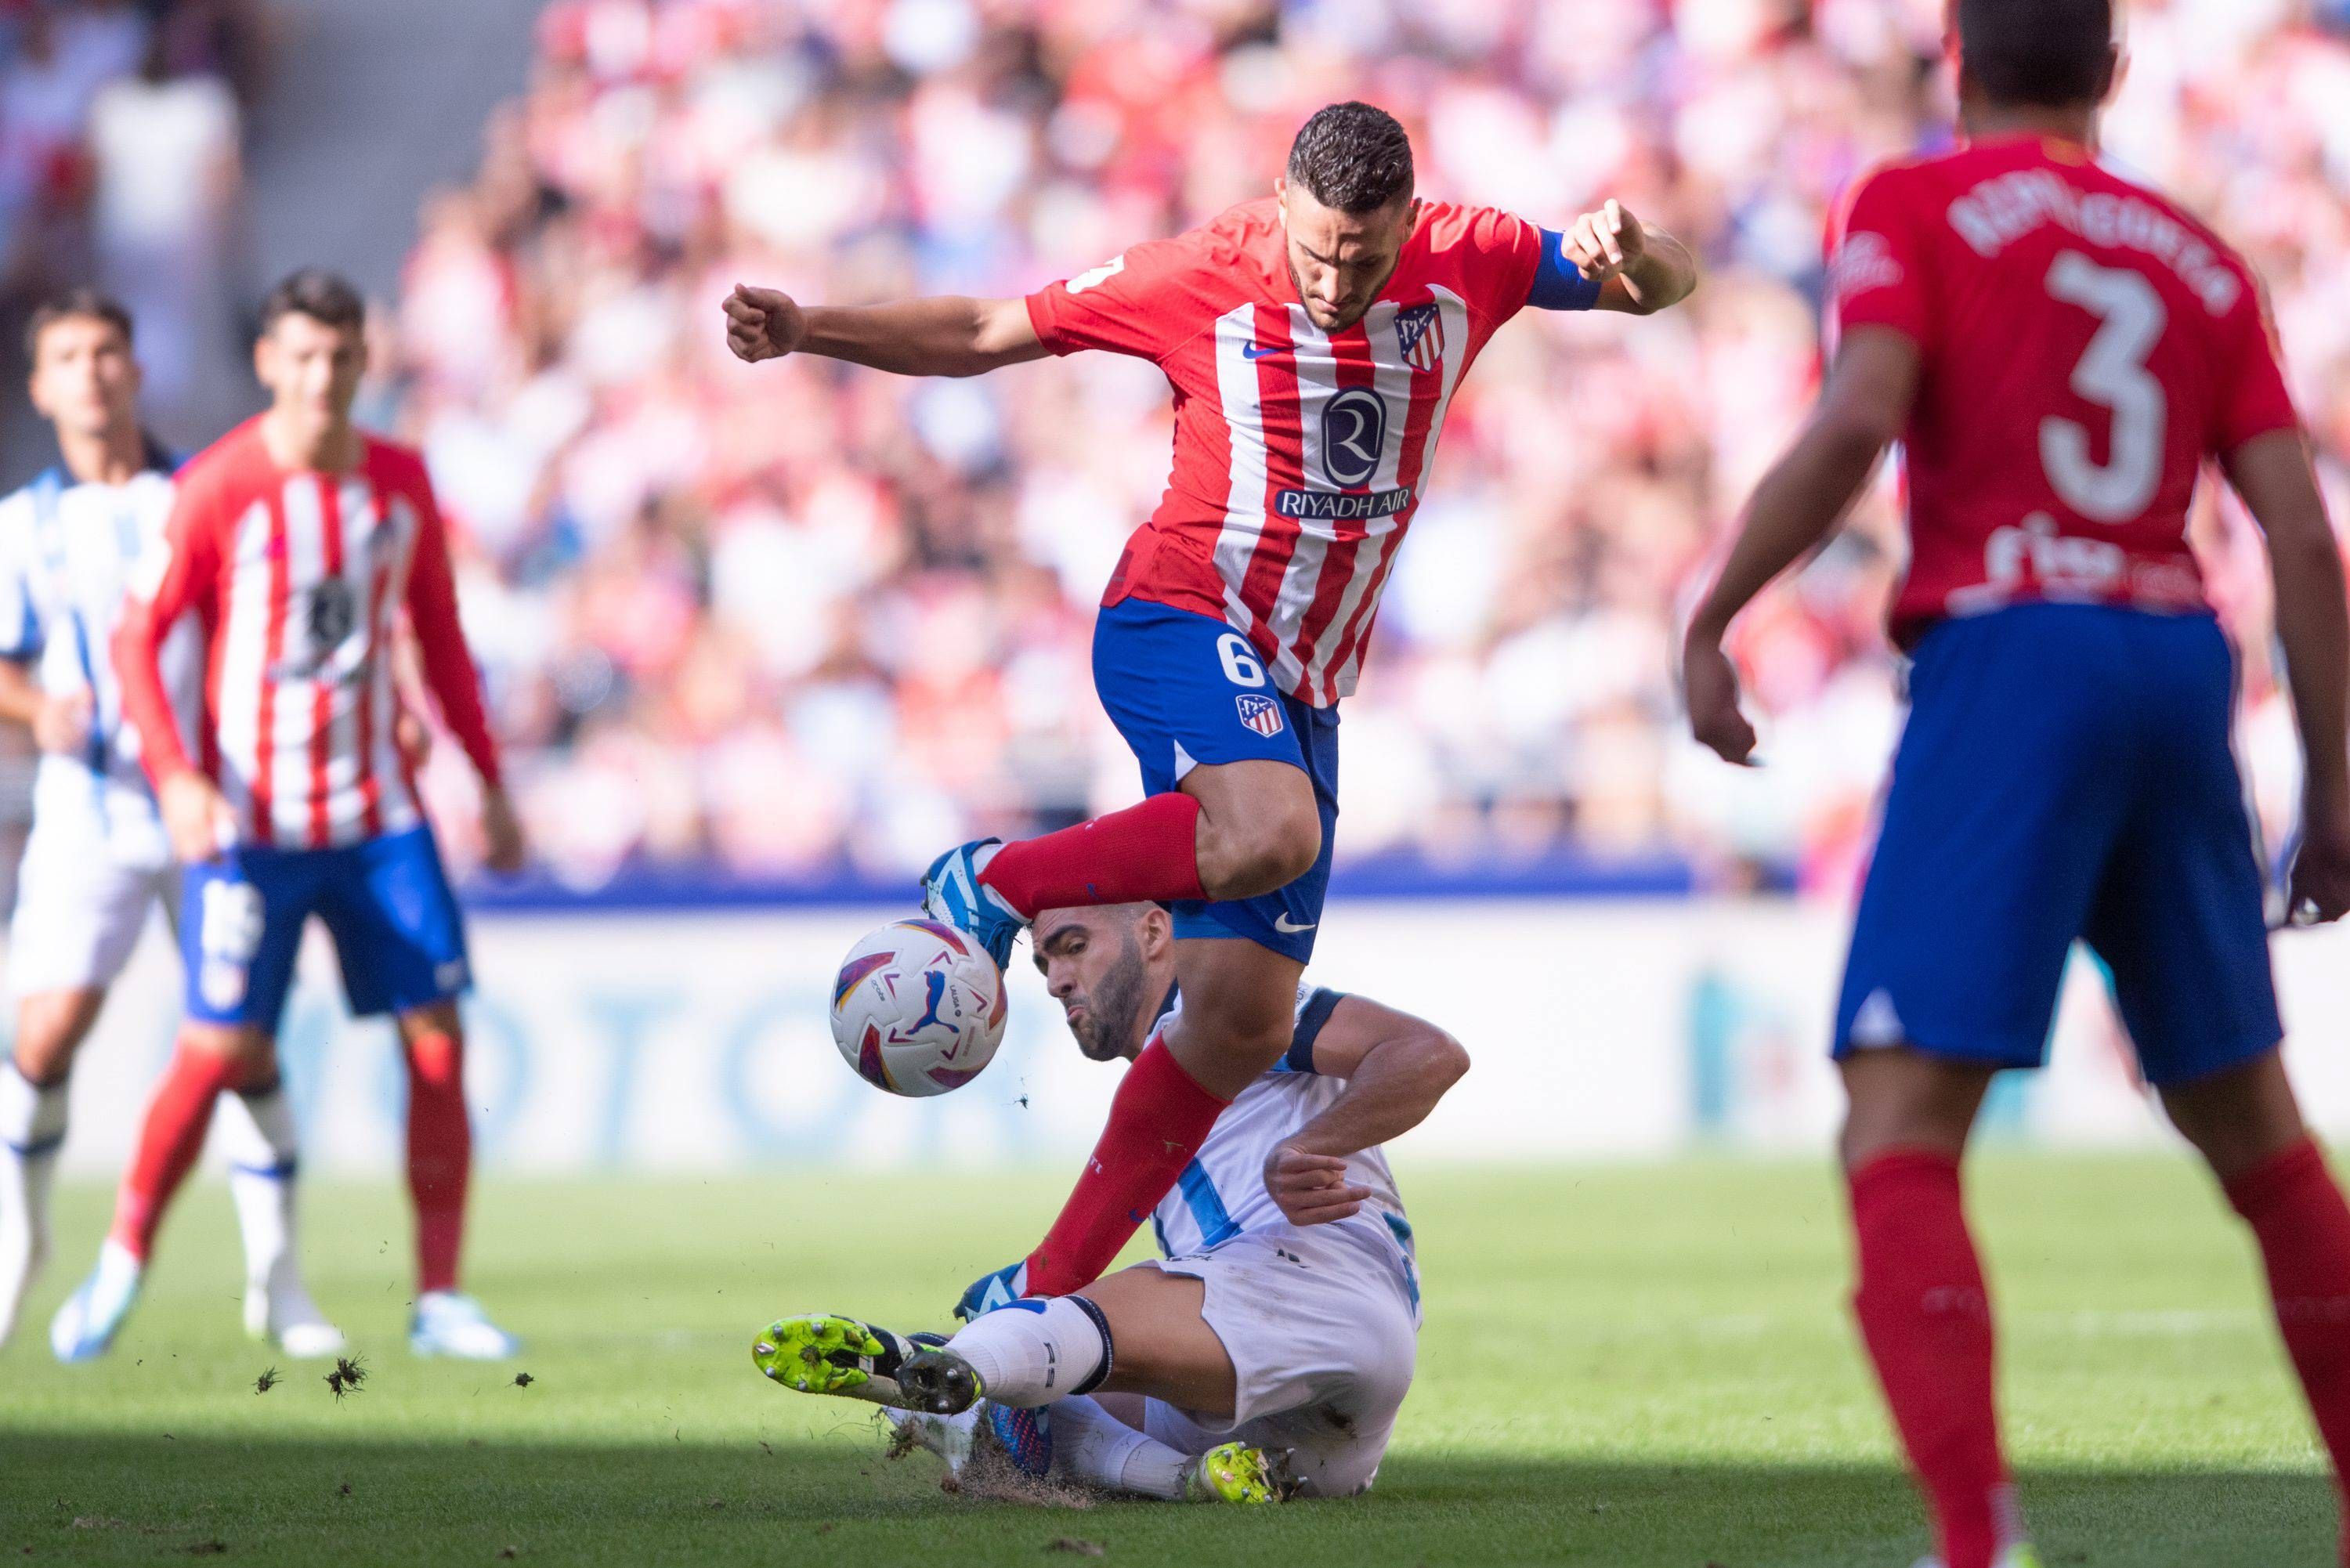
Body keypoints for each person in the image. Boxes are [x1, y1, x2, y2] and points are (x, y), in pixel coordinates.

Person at [724, 99, 1694, 1310]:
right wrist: (811, 327)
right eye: (1320, 248)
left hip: (1303, 688)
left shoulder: (1477, 256)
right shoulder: (1204, 274)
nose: (1341, 279)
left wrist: (1634, 251)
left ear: (1408, 219)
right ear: (1282, 203)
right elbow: (985, 325)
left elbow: (1663, 285)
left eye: (1369, 252)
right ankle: (996, 878)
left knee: (1235, 1027)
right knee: (1267, 835)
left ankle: (1040, 1287)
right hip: (1180, 617)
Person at [1679, 2, 2350, 1565]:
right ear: (2112, 75)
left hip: (2010, 657)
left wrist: (1715, 613)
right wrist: (2335, 785)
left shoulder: (1910, 202)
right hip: (2176, 661)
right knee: (2254, 1126)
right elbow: (2300, 534)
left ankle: (1977, 1543)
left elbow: (1861, 416)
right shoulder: (2195, 253)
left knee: (1900, 1124)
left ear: (1954, 58)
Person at [47, 268, 529, 1363]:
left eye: (341, 355)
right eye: (302, 356)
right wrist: (175, 773)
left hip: (377, 822)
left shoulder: (401, 485)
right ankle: (121, 1259)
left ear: (365, 361)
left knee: (440, 1043)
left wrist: (487, 781)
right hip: (252, 827)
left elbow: (441, 642)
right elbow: (135, 636)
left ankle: (439, 1295)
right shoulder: (217, 487)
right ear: (269, 363)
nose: (322, 377)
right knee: (217, 1046)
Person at [751, 900, 1465, 1503]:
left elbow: (1428, 1053)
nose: (1059, 979)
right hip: (1327, 1446)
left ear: (1154, 933)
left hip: (1317, 1290)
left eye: (1074, 947)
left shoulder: (1231, 1013)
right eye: (1044, 964)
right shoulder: (1156, 1092)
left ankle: (938, 1364)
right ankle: (1188, 1478)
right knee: (1041, 1401)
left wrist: (1310, 1144)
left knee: (1042, 1339)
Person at [0, 290, 337, 1356]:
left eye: (108, 349)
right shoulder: (20, 523)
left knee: (238, 1040)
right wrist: (34, 706)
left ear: (137, 370)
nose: (92, 371)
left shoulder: (205, 493)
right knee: (45, 1029)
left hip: (210, 805)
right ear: (41, 384)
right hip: (91, 808)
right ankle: (22, 1242)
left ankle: (278, 1279)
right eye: (69, 355)